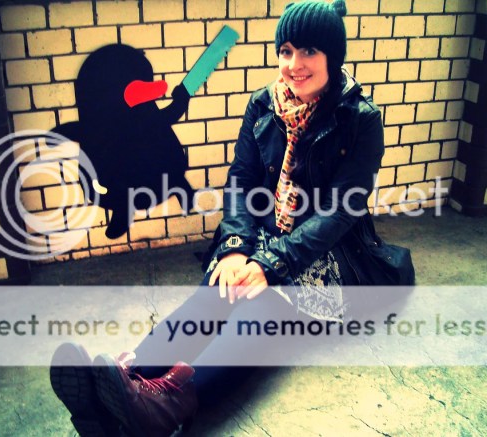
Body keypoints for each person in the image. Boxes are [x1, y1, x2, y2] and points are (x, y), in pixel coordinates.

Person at [50, 1, 412, 435]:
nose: (294, 65)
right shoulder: (263, 104)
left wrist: (271, 264)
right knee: (216, 292)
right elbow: (241, 180)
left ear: (332, 56)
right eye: (286, 51)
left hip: (325, 253)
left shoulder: (360, 118)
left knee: (261, 307)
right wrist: (237, 247)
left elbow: (341, 210)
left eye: (309, 51)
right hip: (264, 233)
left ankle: (164, 406)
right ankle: (127, 380)